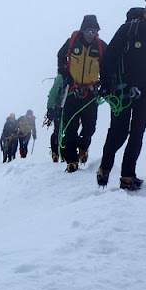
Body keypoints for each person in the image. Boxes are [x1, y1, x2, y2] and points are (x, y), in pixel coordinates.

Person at [96, 0, 146, 190]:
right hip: (121, 90)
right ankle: (105, 167)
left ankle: (128, 176)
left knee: (137, 134)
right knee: (119, 132)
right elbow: (109, 58)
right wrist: (105, 85)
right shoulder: (129, 30)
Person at [56, 15, 107, 172]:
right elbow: (60, 56)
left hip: (91, 93)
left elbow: (108, 65)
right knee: (70, 127)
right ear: (82, 30)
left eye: (94, 31)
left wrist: (104, 84)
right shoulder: (72, 42)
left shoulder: (100, 46)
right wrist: (66, 76)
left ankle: (83, 147)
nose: (91, 34)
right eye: (88, 31)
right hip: (72, 91)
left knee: (89, 127)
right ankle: (72, 161)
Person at [43, 75, 68, 162]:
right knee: (64, 130)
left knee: (59, 130)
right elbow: (53, 92)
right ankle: (61, 152)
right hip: (64, 108)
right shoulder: (62, 77)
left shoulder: (61, 77)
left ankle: (56, 151)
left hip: (60, 107)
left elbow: (52, 93)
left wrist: (50, 108)